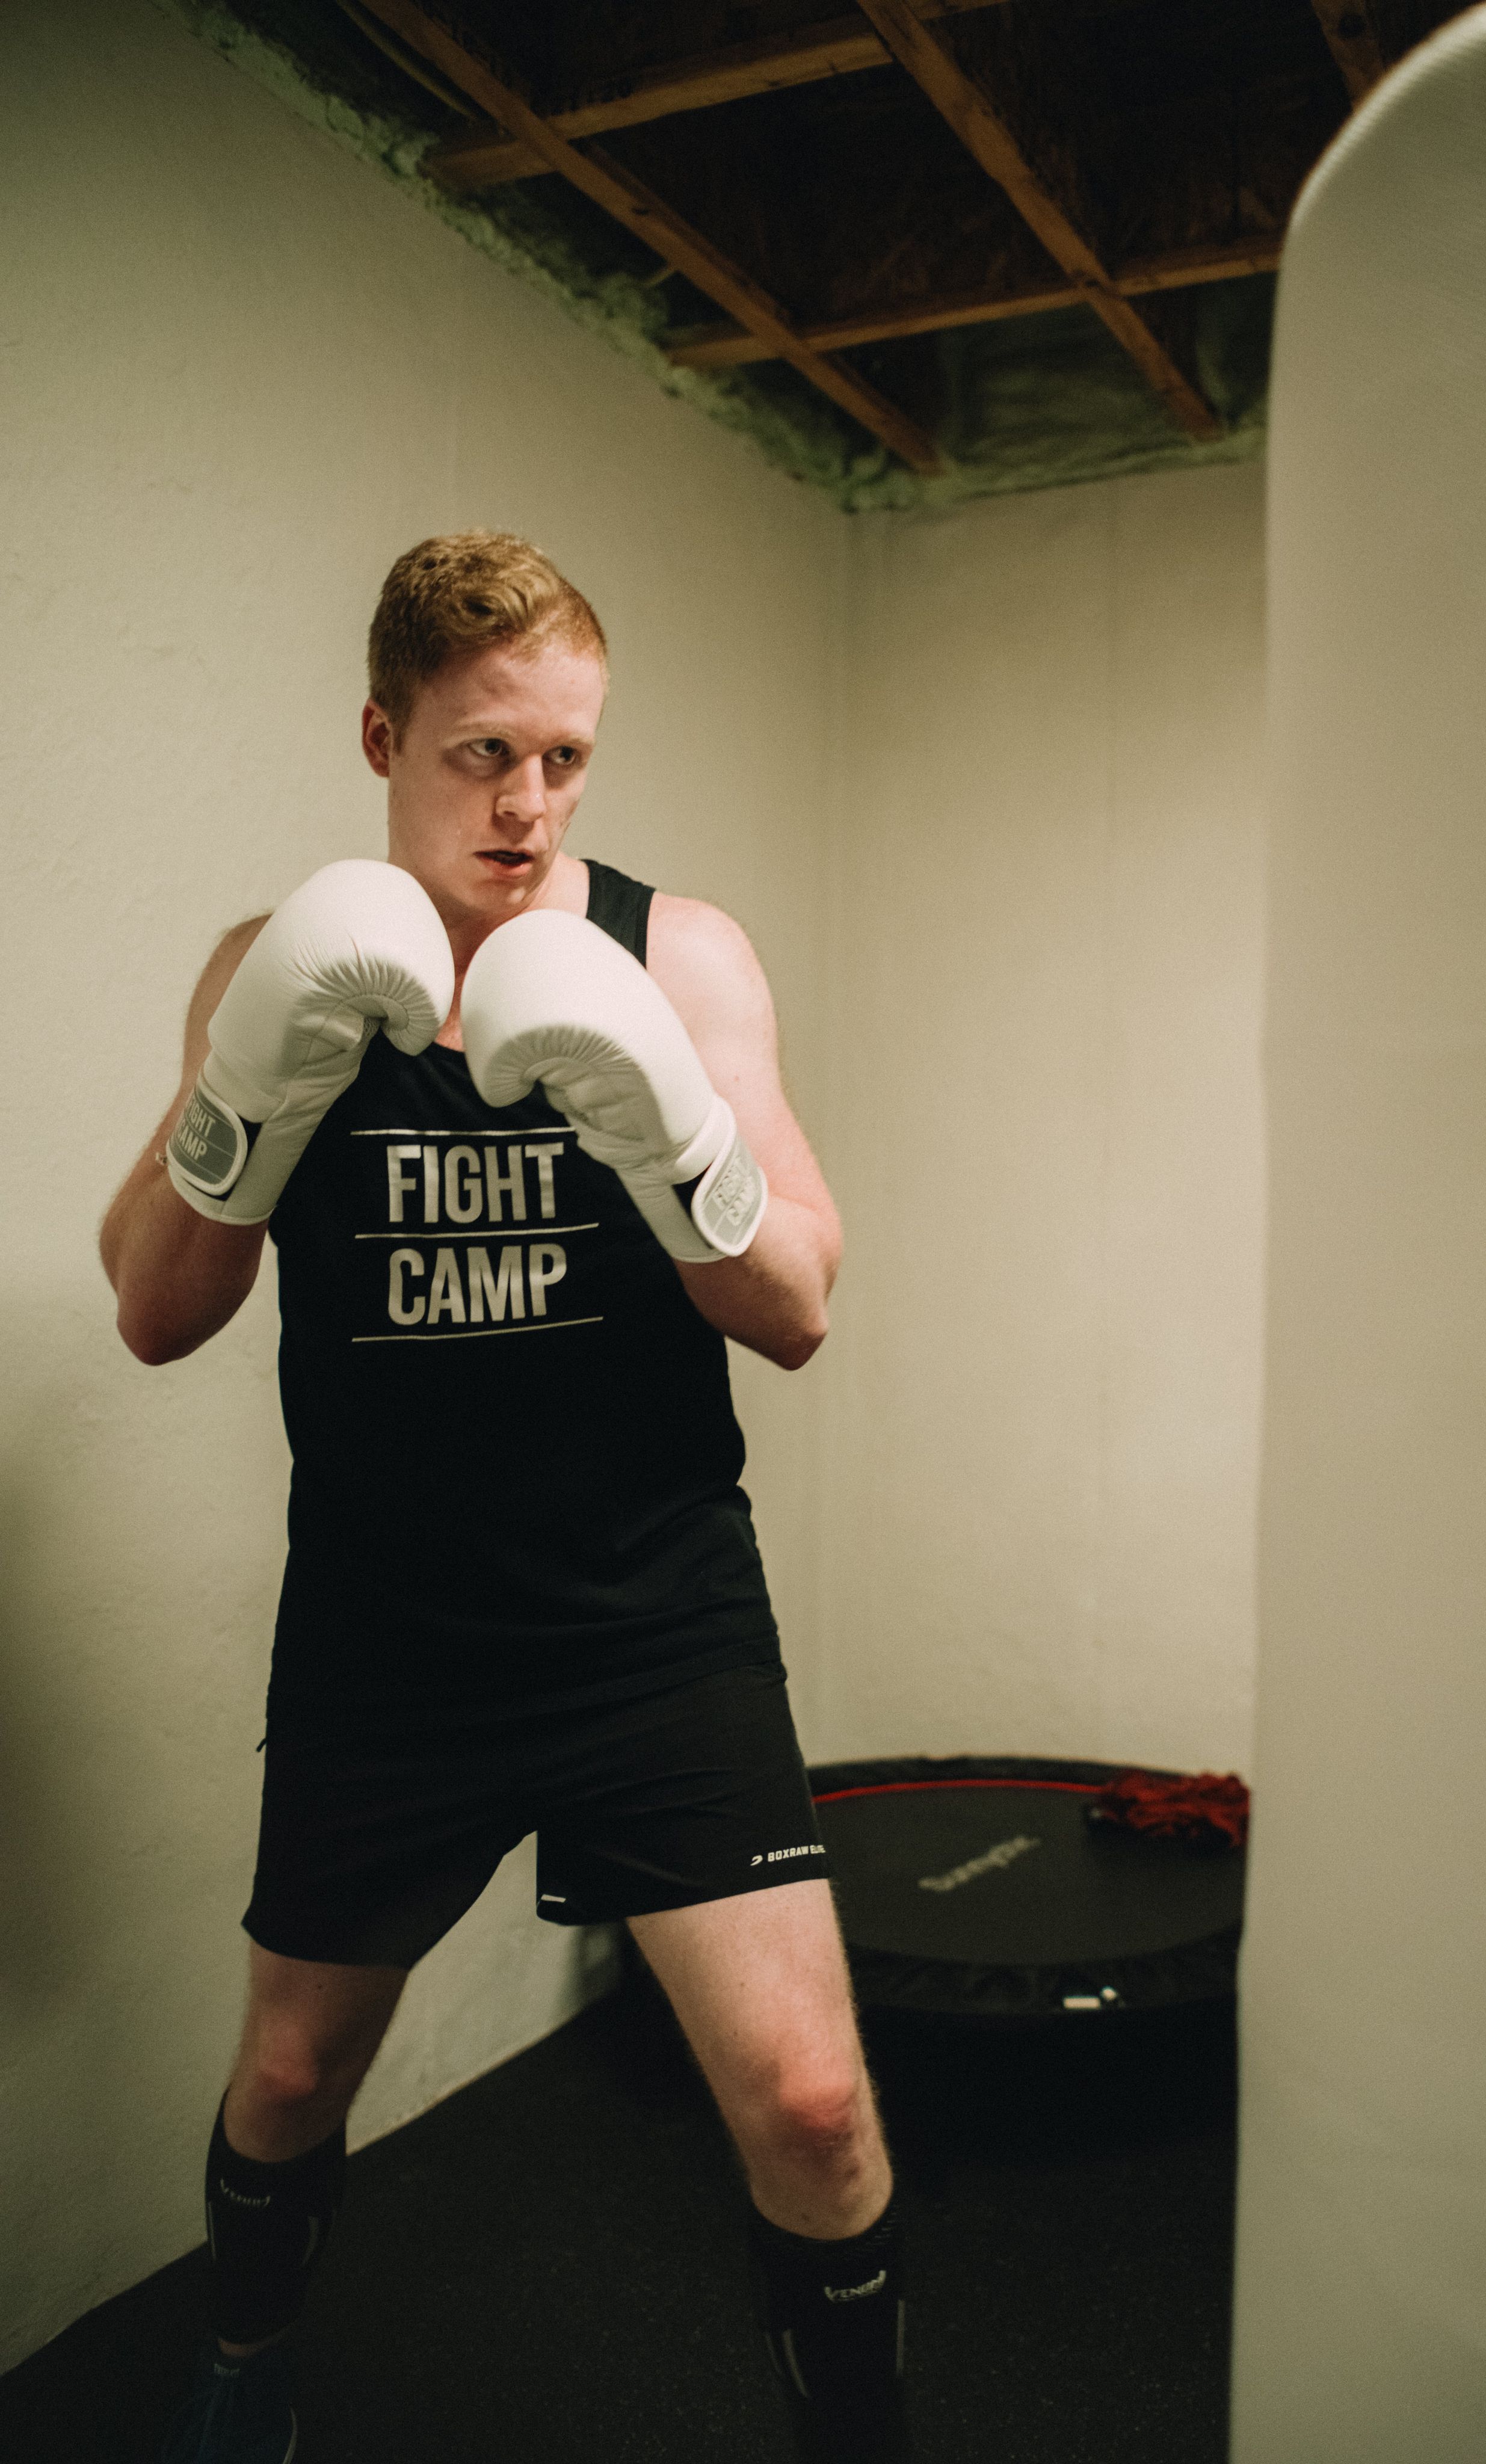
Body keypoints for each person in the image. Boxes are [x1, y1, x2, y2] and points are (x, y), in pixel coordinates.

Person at [99, 531, 907, 2464]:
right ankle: (245, 2368)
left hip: (652, 1611)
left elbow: (795, 1309)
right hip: (390, 1628)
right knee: (294, 2075)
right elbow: (152, 1307)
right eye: (482, 756)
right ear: (384, 733)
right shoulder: (271, 968)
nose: (530, 807)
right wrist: (253, 1081)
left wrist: (670, 1128)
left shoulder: (676, 957)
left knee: (810, 2101)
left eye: (565, 759)